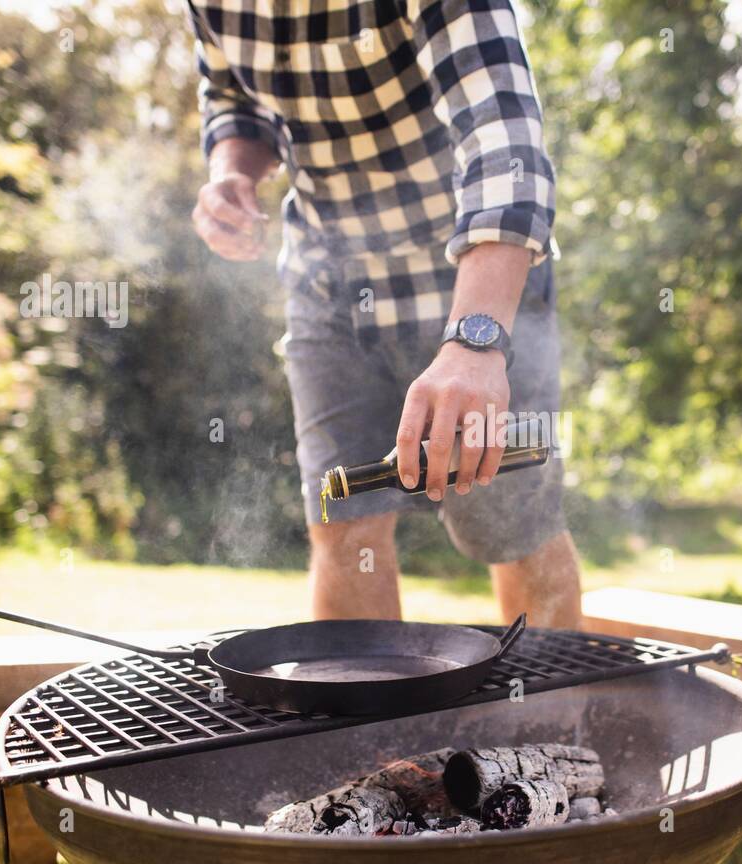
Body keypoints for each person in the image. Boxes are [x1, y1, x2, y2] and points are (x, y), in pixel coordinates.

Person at [184, 0, 581, 626]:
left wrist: (477, 344)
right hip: (330, 285)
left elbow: (504, 143)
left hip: (474, 276)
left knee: (512, 530)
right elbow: (232, 96)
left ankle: (548, 724)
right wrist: (231, 172)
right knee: (344, 526)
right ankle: (366, 724)